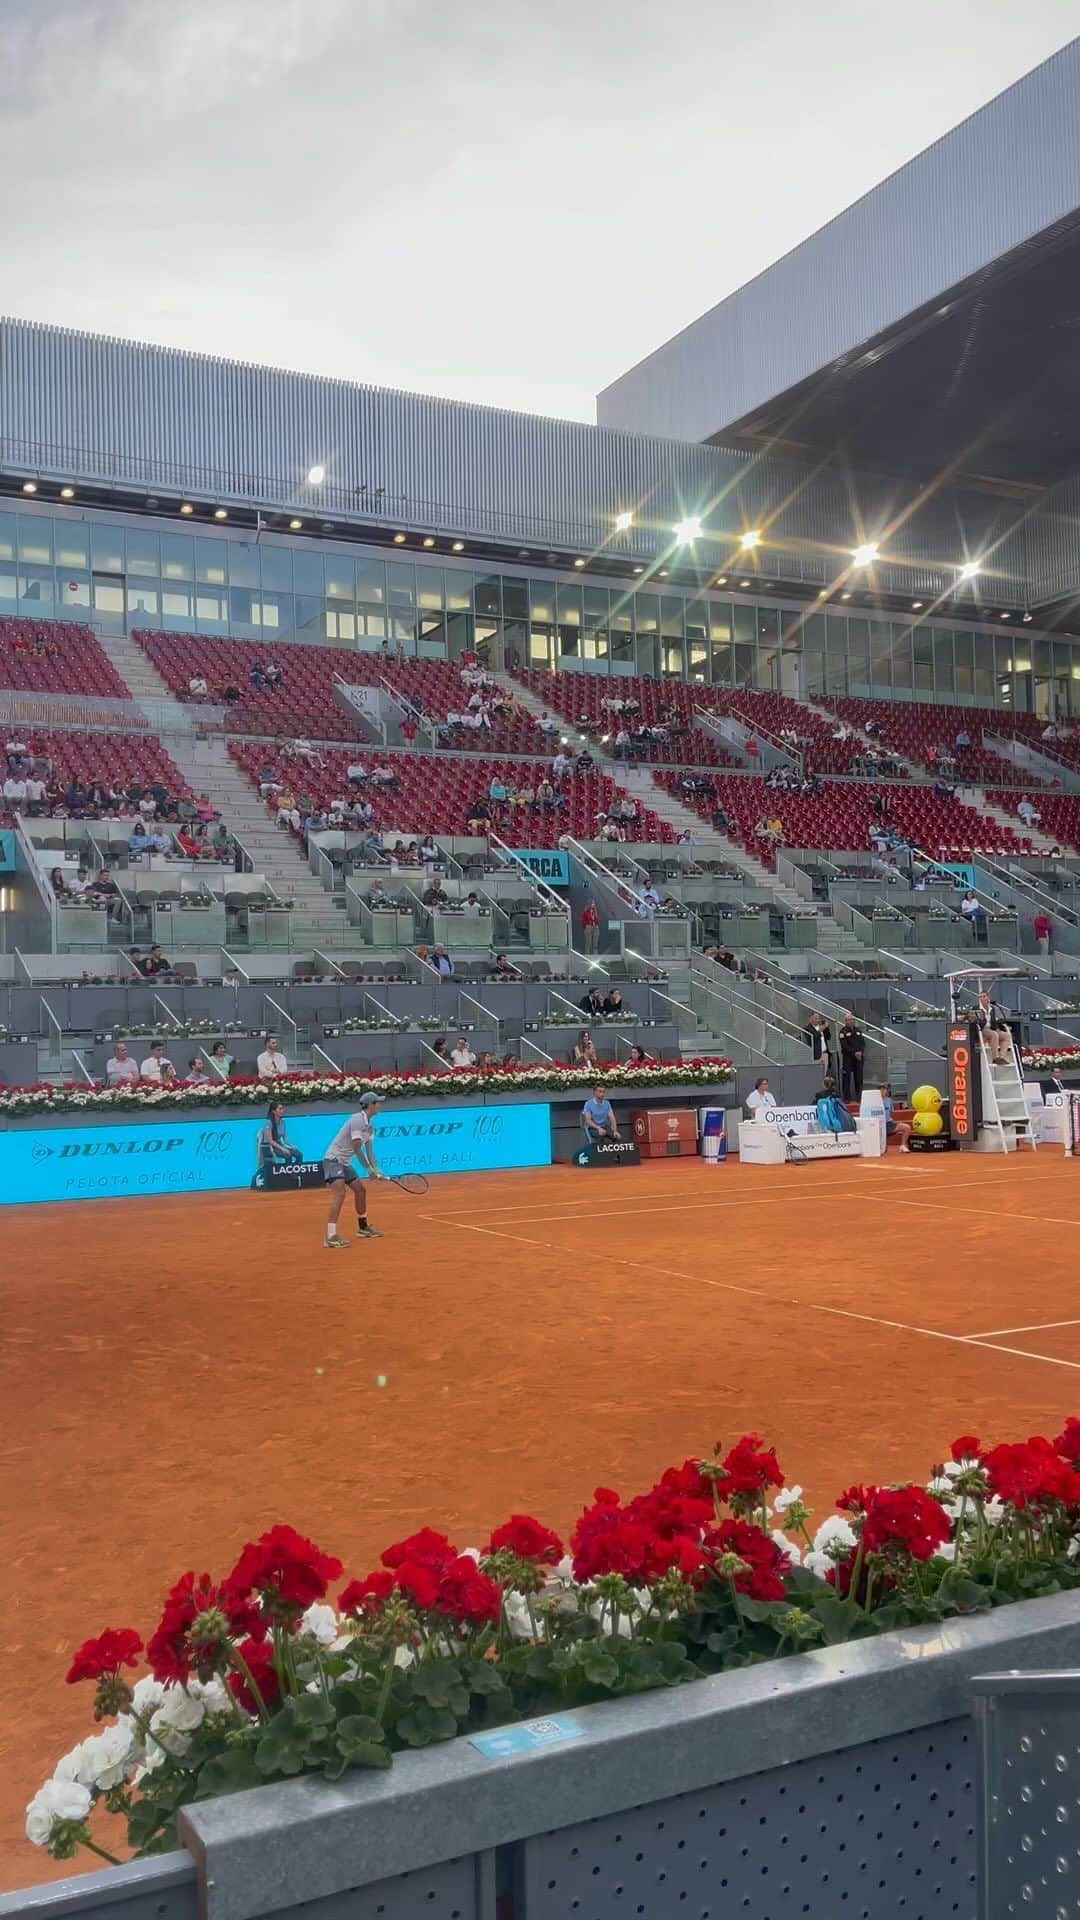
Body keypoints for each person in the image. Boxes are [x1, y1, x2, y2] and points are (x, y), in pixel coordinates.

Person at [322, 1094, 385, 1248]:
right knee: (340, 1193)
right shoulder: (357, 1120)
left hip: (344, 1162)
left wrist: (376, 1169)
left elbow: (369, 1151)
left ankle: (363, 1228)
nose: (380, 1105)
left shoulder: (370, 1126)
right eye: (378, 1103)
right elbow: (357, 1148)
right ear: (371, 1105)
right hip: (333, 1160)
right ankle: (330, 1237)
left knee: (360, 1190)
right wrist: (368, 1170)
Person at [257, 1101, 302, 1174]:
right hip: (269, 1147)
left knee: (298, 1154)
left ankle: (297, 1173)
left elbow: (285, 1138)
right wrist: (283, 1149)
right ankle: (287, 1175)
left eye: (282, 1109)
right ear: (274, 1111)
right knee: (288, 1154)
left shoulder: (282, 1122)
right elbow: (270, 1140)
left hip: (279, 1144)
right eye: (280, 1109)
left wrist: (291, 1146)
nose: (282, 1111)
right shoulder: (268, 1123)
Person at [974, 989, 1012, 1068]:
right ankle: (995, 1057)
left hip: (992, 1029)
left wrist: (998, 1027)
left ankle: (1002, 1057)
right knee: (994, 1034)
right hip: (982, 1029)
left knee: (1006, 1035)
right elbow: (974, 1021)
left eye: (984, 996)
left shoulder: (993, 1008)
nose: (982, 998)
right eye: (980, 997)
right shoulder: (976, 1008)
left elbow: (996, 1020)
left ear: (988, 997)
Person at [838, 1013, 866, 1102]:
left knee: (859, 1078)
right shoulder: (842, 1032)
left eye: (852, 1020)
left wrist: (860, 1052)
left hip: (858, 1058)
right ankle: (847, 1098)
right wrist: (855, 1052)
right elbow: (845, 1045)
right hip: (848, 1058)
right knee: (847, 1078)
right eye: (849, 1020)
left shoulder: (858, 1030)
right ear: (845, 1021)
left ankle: (859, 1097)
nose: (851, 1021)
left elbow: (863, 1043)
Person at [880, 1084, 912, 1151]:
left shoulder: (889, 1100)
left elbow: (890, 1113)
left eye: (884, 1089)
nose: (883, 1091)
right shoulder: (874, 1100)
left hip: (889, 1124)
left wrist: (892, 1121)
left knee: (907, 1128)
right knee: (884, 1150)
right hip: (879, 1126)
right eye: (881, 1089)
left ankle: (902, 1146)